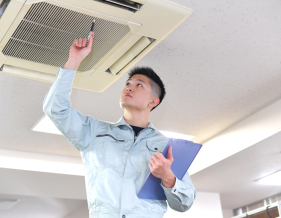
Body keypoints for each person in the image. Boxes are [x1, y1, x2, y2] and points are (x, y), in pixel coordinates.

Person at [43, 31, 196, 218]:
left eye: (139, 85)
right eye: (128, 83)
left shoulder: (168, 148)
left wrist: (168, 177)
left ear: (153, 101)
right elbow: (56, 109)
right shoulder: (94, 133)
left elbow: (185, 203)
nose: (129, 87)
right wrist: (73, 60)